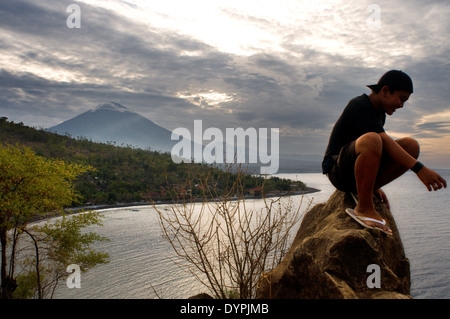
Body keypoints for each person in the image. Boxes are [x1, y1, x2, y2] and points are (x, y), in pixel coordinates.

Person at [322, 70, 447, 235]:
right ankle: (364, 207)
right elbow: (380, 142)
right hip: (338, 171)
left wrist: (372, 185)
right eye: (401, 98)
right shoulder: (360, 105)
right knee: (372, 139)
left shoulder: (379, 113)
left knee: (411, 146)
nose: (401, 105)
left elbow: (382, 148)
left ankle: (367, 189)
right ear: (385, 91)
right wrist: (419, 169)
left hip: (354, 168)